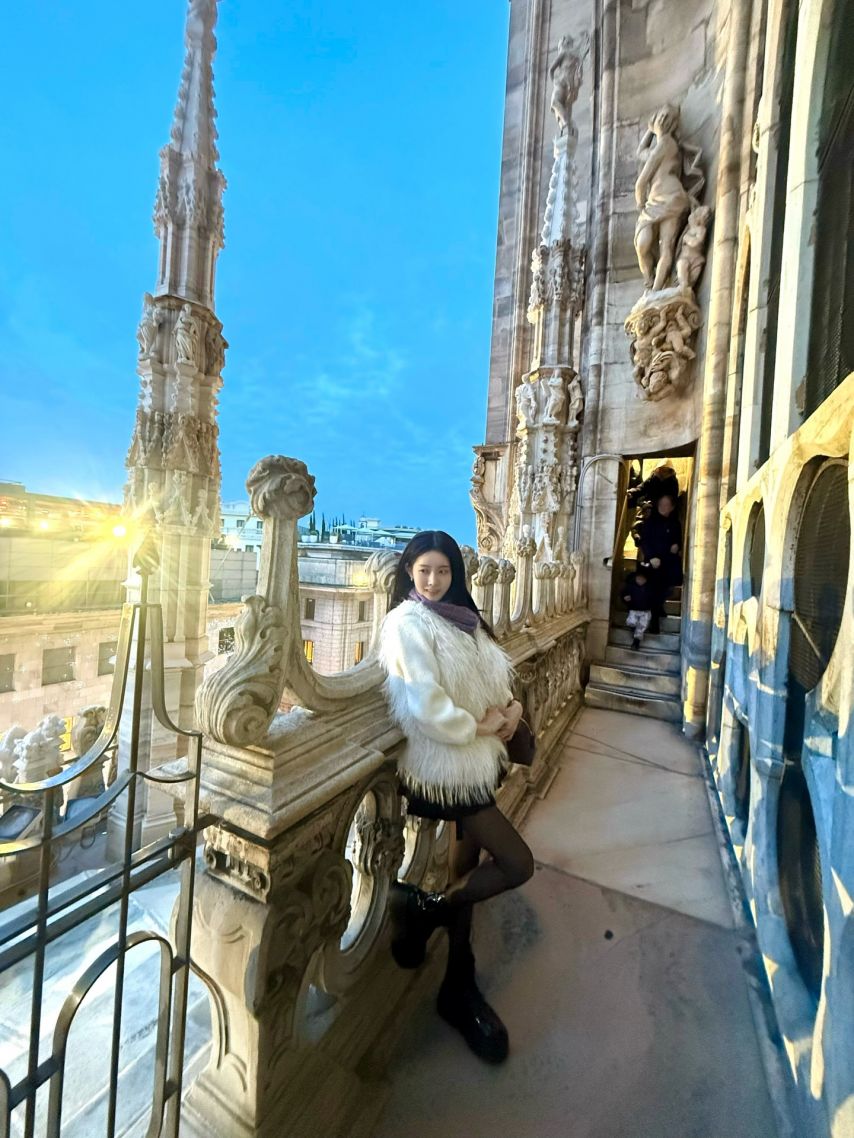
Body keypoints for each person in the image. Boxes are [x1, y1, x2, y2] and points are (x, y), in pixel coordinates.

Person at [378, 530, 534, 1064]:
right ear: (409, 571)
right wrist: (478, 727)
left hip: (480, 759)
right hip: (445, 767)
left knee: (465, 866)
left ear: (456, 574)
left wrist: (511, 711)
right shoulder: (407, 623)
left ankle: (458, 981)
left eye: (442, 571)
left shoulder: (463, 618)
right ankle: (424, 909)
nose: (433, 580)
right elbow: (424, 703)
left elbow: (497, 680)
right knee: (517, 863)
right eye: (424, 570)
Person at [636, 494, 683, 633]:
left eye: (666, 504)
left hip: (669, 563)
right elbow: (645, 541)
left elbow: (678, 540)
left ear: (672, 507)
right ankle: (654, 622)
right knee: (655, 591)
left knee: (667, 589)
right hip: (654, 563)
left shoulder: (675, 523)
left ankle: (659, 607)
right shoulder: (650, 522)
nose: (663, 507)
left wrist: (677, 545)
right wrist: (651, 557)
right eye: (661, 504)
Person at [622, 566, 654, 649]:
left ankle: (636, 642)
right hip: (634, 609)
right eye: (638, 578)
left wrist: (651, 606)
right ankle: (633, 629)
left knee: (642, 626)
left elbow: (654, 598)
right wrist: (625, 598)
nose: (640, 580)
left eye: (642, 579)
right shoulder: (631, 586)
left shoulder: (650, 588)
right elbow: (624, 593)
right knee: (631, 622)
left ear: (646, 579)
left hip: (645, 611)